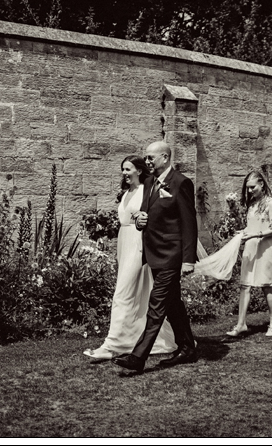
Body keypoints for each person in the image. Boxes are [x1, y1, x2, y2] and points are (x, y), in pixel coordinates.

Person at [112, 141, 198, 373]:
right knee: (173, 304)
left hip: (171, 255)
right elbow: (147, 213)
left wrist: (188, 259)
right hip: (153, 253)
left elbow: (189, 224)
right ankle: (188, 347)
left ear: (165, 157)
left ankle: (138, 357)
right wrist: (141, 219)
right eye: (146, 158)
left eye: (151, 158)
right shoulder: (149, 182)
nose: (147, 162)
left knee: (157, 305)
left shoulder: (181, 183)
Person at [83, 155, 178, 359]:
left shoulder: (147, 190)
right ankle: (141, 338)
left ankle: (111, 345)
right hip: (124, 245)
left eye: (128, 169)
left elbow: (159, 215)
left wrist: (144, 218)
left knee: (122, 294)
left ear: (139, 170)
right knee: (139, 295)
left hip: (139, 245)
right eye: (123, 170)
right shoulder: (127, 193)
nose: (124, 173)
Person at [225, 171, 272, 338]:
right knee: (245, 286)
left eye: (252, 187)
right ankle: (241, 324)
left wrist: (254, 235)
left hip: (266, 248)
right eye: (247, 188)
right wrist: (242, 232)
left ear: (262, 184)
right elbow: (252, 226)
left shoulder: (271, 204)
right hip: (251, 247)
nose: (249, 191)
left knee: (267, 286)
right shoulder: (252, 204)